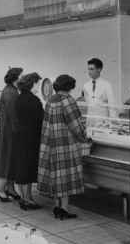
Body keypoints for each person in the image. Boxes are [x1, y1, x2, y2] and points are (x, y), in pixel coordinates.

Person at [37, 74, 90, 220]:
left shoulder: (50, 101)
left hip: (50, 144)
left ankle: (56, 206)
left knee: (56, 175)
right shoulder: (68, 101)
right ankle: (64, 208)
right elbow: (76, 125)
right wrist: (85, 138)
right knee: (65, 177)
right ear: (70, 87)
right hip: (65, 144)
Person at [14, 73, 44, 210]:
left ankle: (25, 198)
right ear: (32, 84)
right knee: (29, 168)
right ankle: (28, 199)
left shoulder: (19, 98)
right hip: (31, 138)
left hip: (20, 136)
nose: (39, 86)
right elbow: (41, 120)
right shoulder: (34, 101)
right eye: (38, 83)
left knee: (22, 167)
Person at [0, 67, 23, 202]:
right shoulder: (11, 93)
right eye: (21, 76)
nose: (23, 79)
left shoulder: (11, 90)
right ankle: (0, 190)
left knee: (12, 160)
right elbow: (13, 115)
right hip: (9, 132)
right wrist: (20, 129)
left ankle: (10, 189)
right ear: (16, 78)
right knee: (7, 159)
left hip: (8, 130)